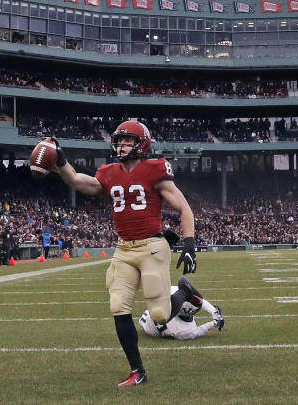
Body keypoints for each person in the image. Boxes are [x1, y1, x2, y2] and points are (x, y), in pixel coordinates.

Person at [48, 120, 198, 387]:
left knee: (160, 316)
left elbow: (184, 207)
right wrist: (60, 161)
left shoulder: (155, 169)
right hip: (124, 248)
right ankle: (137, 370)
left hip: (152, 246)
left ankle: (184, 291)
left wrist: (189, 245)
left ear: (143, 144)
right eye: (119, 140)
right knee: (118, 306)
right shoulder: (108, 173)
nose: (122, 145)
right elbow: (75, 180)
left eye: (128, 140)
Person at [138, 276, 225, 340]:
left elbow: (196, 300)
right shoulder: (184, 330)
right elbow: (197, 331)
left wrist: (213, 310)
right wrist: (213, 323)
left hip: (151, 314)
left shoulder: (173, 293)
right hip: (151, 328)